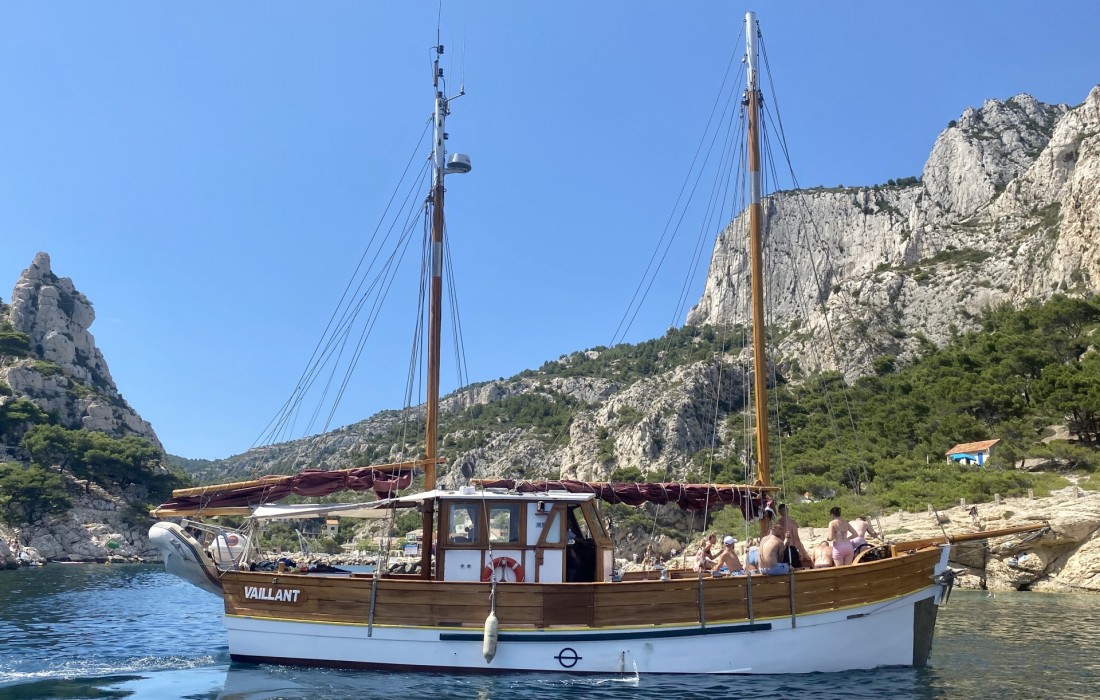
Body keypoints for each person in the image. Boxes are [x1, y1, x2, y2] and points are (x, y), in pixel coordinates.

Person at [776, 504, 811, 569]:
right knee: (796, 569)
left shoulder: (777, 524)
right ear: (787, 510)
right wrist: (801, 551)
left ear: (779, 512)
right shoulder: (792, 523)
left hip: (780, 549)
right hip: (791, 549)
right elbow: (796, 538)